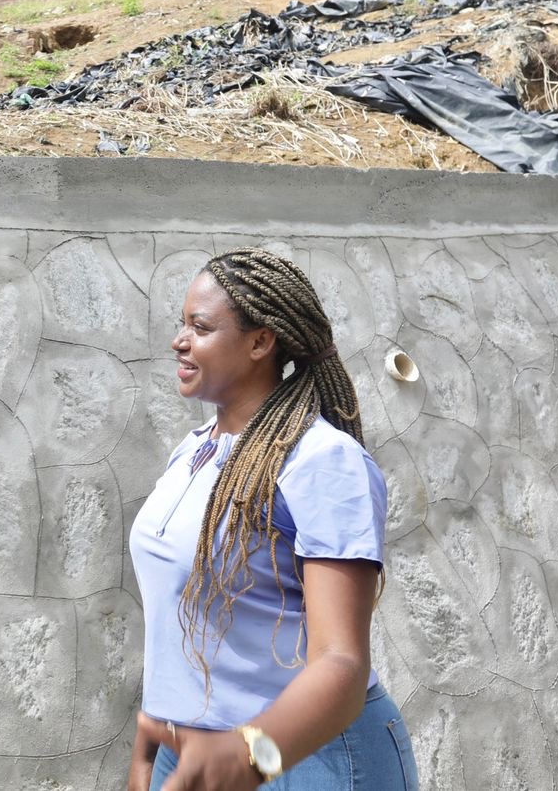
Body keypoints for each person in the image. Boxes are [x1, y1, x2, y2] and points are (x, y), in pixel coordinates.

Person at [128, 249, 418, 791]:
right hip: (193, 751)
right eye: (181, 323)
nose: (179, 340)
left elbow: (342, 663)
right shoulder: (193, 452)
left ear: (261, 342)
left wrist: (247, 758)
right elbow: (176, 618)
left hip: (305, 760)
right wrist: (150, 748)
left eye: (201, 326)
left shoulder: (321, 461)